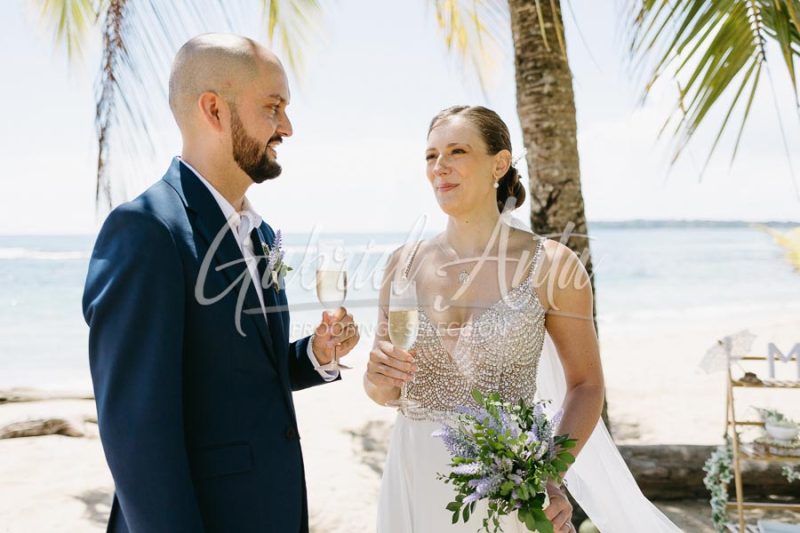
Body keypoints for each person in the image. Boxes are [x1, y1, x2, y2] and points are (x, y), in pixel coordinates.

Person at [82, 33, 358, 533]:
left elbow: (239, 374)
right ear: (214, 110)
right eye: (273, 107)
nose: (288, 127)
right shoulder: (146, 232)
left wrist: (314, 355)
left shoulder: (261, 233)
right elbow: (137, 436)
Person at [365, 105, 681, 532]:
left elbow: (586, 385)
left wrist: (549, 474)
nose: (440, 166)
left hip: (506, 481)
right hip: (412, 472)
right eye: (431, 155)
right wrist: (378, 377)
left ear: (500, 163)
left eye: (457, 151)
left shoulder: (552, 265)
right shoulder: (401, 264)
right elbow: (383, 392)